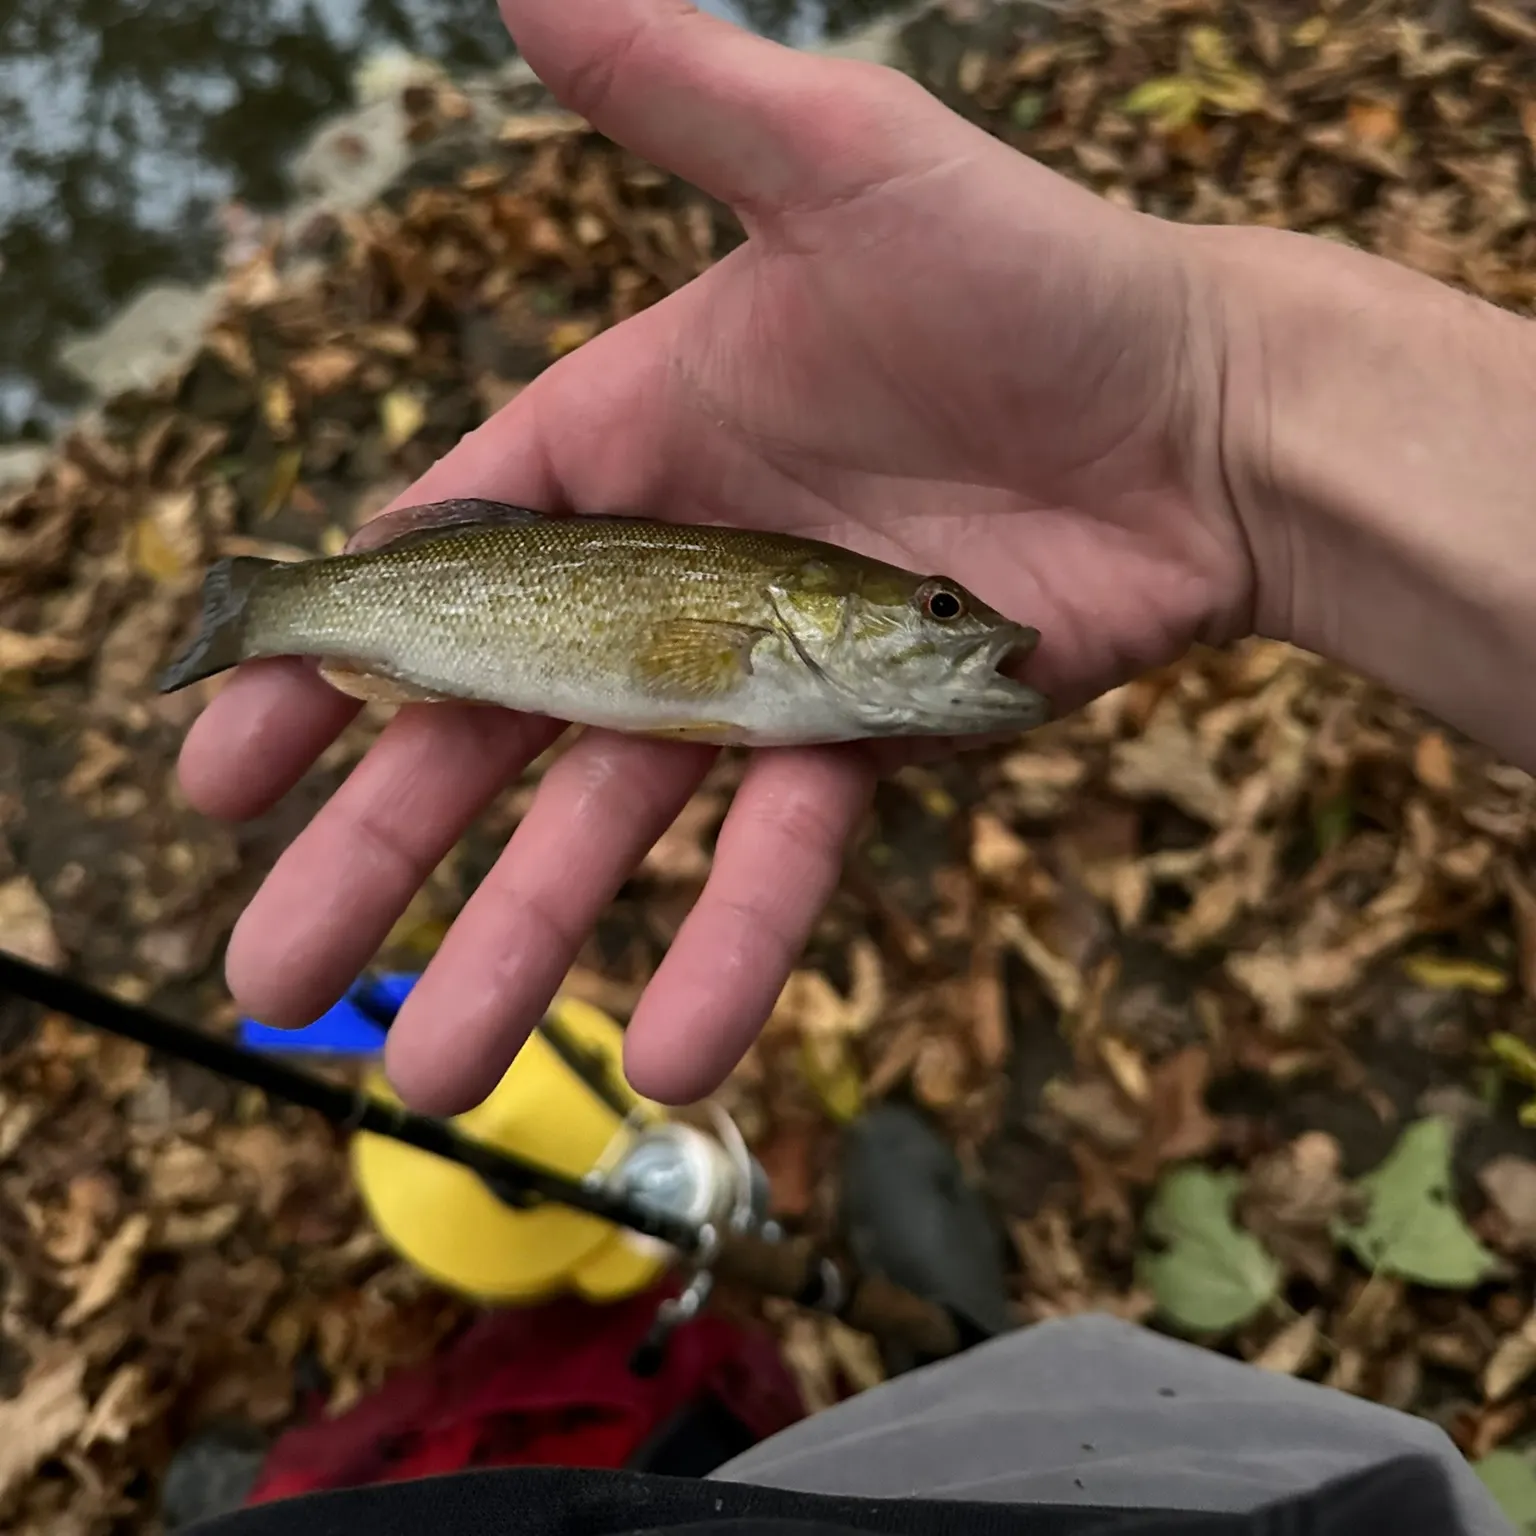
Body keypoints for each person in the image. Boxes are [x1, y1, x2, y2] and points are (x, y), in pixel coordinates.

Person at [175, 2, 1534, 1532]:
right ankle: (263, 603)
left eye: (949, 610)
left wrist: (1214, 410)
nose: (974, 629)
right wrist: (1217, 416)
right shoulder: (764, 634)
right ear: (827, 613)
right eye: (942, 613)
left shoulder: (814, 655)